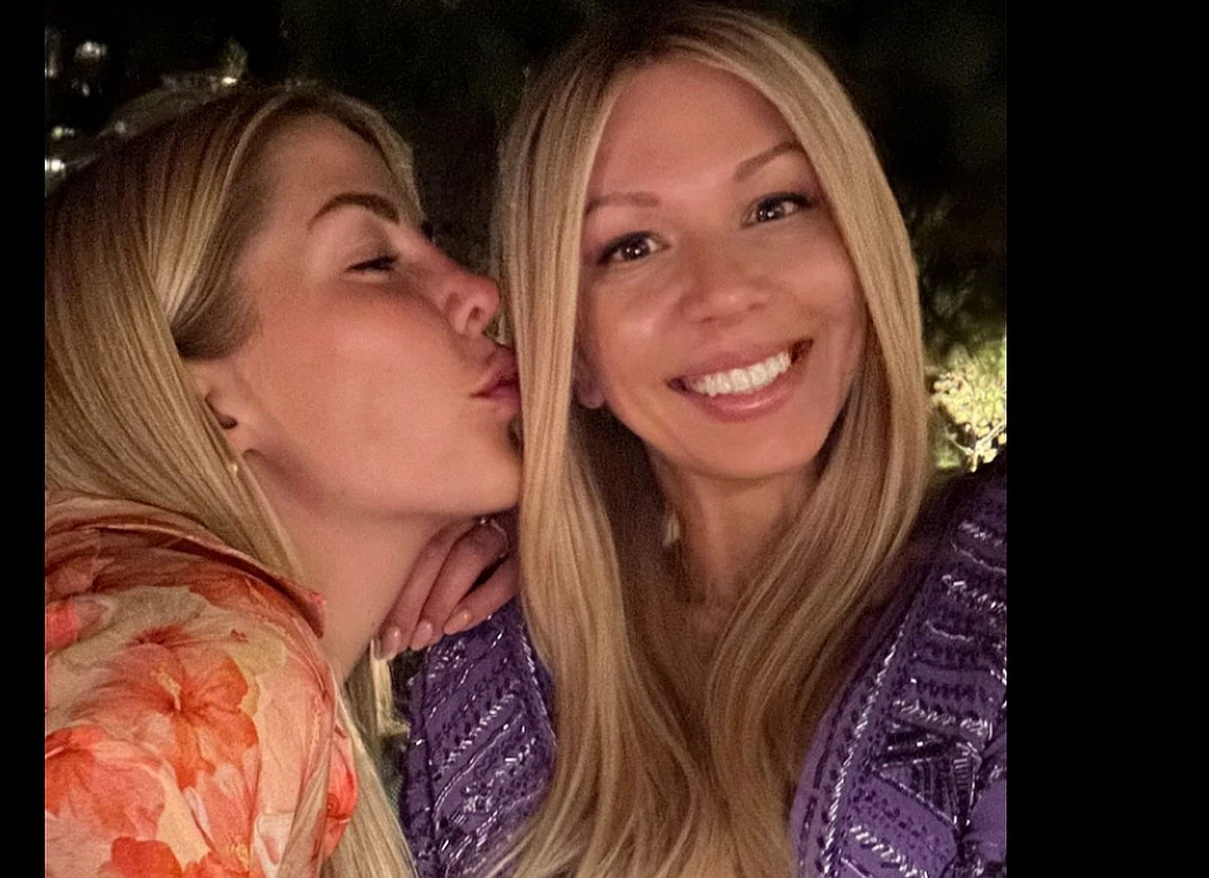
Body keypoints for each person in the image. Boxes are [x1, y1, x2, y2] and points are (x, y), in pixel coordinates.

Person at [400, 6, 1006, 877]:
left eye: (774, 206)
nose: (721, 292)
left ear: (861, 250)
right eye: (632, 246)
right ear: (574, 352)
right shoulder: (483, 673)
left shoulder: (990, 607)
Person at [45, 83, 523, 877]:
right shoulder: (195, 680)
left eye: (430, 242)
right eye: (375, 263)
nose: (481, 294)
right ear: (211, 403)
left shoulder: (141, 629)